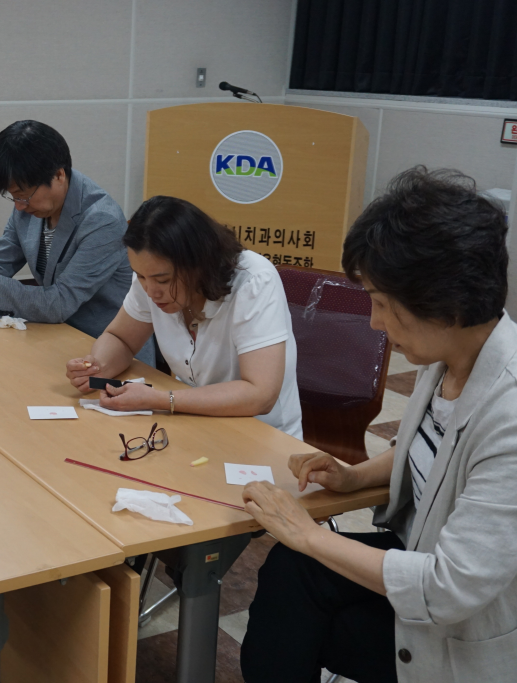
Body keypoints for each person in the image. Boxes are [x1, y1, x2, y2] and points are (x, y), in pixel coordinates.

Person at [239, 168, 517, 683]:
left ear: (447, 303)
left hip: (465, 628)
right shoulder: (449, 356)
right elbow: (437, 456)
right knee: (291, 574)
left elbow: (448, 589)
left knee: (304, 584)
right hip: (422, 566)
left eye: (384, 304)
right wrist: (354, 477)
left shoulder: (510, 411)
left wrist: (307, 533)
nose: (374, 323)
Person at [65, 195, 302, 438]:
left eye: (163, 280)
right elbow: (121, 338)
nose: (151, 291)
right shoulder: (149, 277)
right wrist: (97, 367)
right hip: (190, 424)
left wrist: (160, 399)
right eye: (141, 276)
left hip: (262, 437)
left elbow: (260, 395)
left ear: (198, 262)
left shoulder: (254, 281)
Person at [0, 120, 153, 363]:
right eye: (14, 197)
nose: (19, 206)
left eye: (24, 195)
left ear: (59, 175)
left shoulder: (102, 220)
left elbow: (59, 303)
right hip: (54, 338)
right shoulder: (29, 207)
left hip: (107, 353)